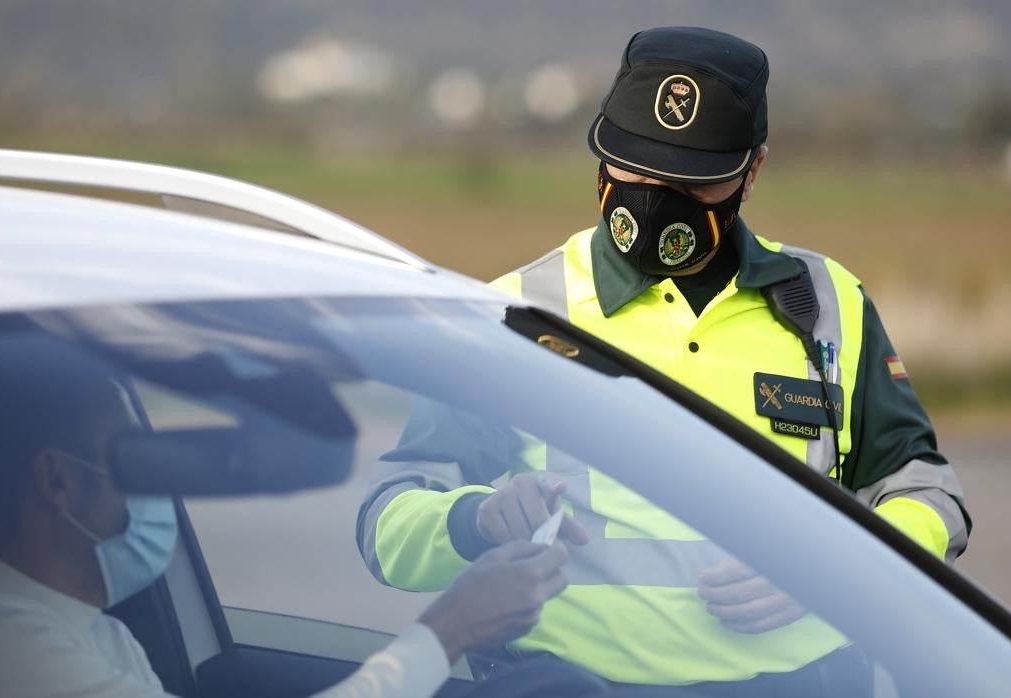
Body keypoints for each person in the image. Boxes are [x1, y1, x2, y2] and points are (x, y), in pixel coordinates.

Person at [358, 26, 970, 691]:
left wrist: (838, 571)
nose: (651, 197)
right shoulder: (515, 313)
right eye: (635, 166)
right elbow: (388, 524)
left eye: (689, 179)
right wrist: (474, 519)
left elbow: (928, 496)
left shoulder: (826, 304)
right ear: (600, 152)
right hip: (570, 683)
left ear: (752, 171)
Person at [0, 341, 569, 698]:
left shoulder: (89, 637)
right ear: (56, 479)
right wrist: (451, 629)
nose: (158, 481)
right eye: (136, 451)